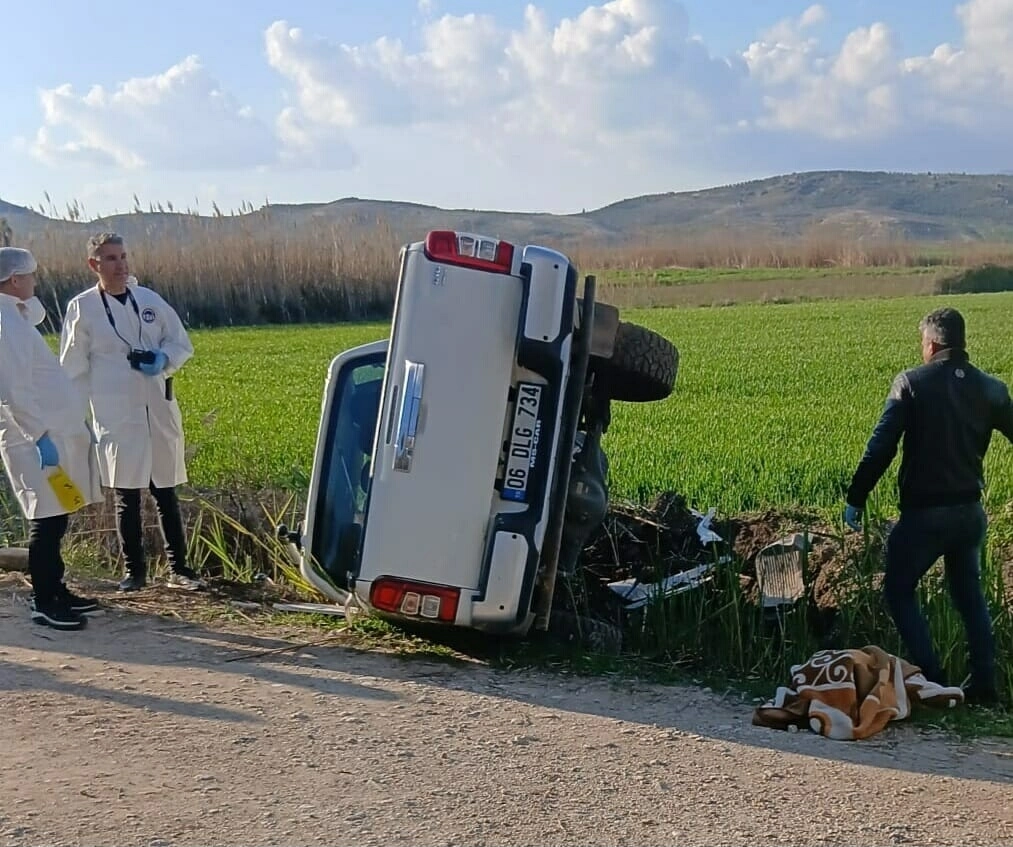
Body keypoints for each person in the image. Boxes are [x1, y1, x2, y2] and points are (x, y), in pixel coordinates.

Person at [843, 307, 1013, 705]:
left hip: (924, 514)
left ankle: (933, 682)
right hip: (969, 513)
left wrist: (856, 497)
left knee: (898, 589)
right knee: (969, 595)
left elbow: (881, 447)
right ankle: (984, 685)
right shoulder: (991, 388)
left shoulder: (911, 383)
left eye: (923, 343)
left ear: (932, 344)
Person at [60, 232, 206, 592]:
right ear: (94, 264)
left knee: (165, 491)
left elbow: (180, 342)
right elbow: (72, 368)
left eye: (123, 256)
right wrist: (71, 418)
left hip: (157, 407)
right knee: (127, 494)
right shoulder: (83, 308)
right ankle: (134, 572)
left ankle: (180, 569)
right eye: (110, 258)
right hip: (116, 413)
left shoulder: (149, 300)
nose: (120, 264)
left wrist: (163, 359)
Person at [0, 247, 103, 629]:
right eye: (30, 276)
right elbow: (13, 390)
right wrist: (38, 435)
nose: (35, 282)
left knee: (57, 516)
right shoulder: (5, 324)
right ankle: (43, 601)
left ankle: (56, 589)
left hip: (50, 433)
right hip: (32, 440)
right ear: (15, 280)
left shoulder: (16, 317)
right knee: (45, 520)